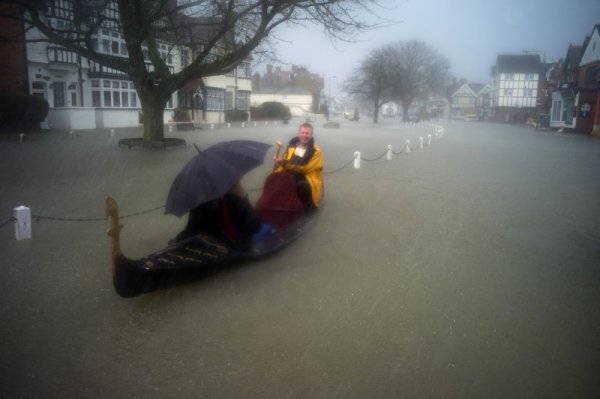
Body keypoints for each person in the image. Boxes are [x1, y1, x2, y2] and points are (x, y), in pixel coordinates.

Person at [173, 180, 267, 249]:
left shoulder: (201, 203)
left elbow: (193, 227)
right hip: (228, 243)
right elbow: (255, 226)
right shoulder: (235, 202)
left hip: (205, 241)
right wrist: (244, 198)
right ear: (234, 186)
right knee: (266, 229)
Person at [273, 122, 323, 210]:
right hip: (291, 174)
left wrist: (284, 163)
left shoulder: (316, 151)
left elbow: (306, 169)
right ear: (298, 133)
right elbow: (285, 162)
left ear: (311, 135)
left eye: (307, 133)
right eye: (302, 133)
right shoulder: (291, 147)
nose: (304, 135)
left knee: (302, 185)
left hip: (307, 177)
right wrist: (279, 163)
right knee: (276, 179)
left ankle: (304, 207)